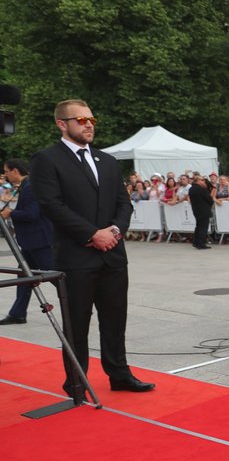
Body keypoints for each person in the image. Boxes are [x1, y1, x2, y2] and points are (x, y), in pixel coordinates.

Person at [31, 99, 155, 394]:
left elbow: (123, 204)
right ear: (62, 124)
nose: (88, 125)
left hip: (112, 255)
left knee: (115, 319)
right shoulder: (47, 159)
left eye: (91, 120)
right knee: (77, 324)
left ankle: (120, 375)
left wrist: (113, 231)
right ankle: (76, 381)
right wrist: (91, 234)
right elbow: (51, 205)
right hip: (76, 257)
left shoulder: (107, 161)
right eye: (81, 120)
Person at [0, 159, 54, 326]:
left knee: (54, 275)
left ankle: (75, 301)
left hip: (39, 241)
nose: (5, 175)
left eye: (7, 171)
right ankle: (18, 313)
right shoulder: (27, 186)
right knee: (23, 276)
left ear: (15, 171)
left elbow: (32, 214)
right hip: (31, 241)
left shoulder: (31, 188)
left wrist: (11, 213)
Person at [188, 175, 214, 249]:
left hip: (196, 210)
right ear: (197, 181)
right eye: (202, 180)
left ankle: (196, 242)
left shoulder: (191, 189)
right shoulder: (201, 189)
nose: (203, 181)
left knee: (198, 226)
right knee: (203, 227)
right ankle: (201, 243)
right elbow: (209, 199)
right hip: (204, 210)